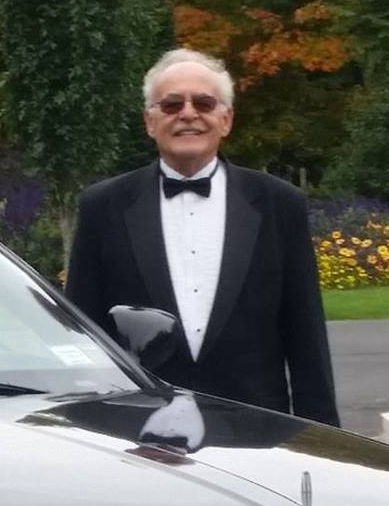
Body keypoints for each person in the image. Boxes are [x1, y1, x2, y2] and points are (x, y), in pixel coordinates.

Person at [65, 48, 340, 426]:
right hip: (139, 431)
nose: (188, 114)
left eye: (204, 103)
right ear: (149, 122)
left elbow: (306, 334)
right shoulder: (102, 206)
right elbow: (82, 331)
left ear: (226, 120)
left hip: (254, 428)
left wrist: (321, 438)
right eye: (172, 104)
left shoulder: (279, 204)